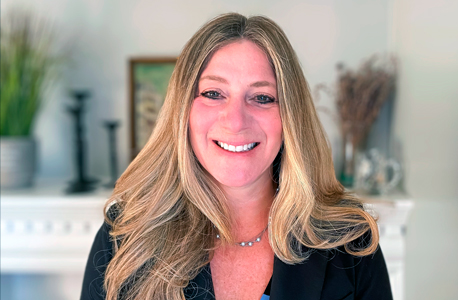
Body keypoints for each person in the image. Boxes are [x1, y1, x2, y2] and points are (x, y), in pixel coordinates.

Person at [80, 13, 393, 300]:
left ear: (290, 117)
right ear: (183, 111)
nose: (235, 121)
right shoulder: (124, 237)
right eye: (214, 94)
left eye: (262, 97)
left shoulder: (350, 244)